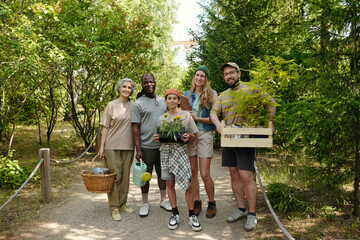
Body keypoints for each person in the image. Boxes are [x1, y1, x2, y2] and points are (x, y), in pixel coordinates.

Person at [210, 62, 276, 231]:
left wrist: (270, 123)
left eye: (231, 73)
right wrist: (218, 124)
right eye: (226, 74)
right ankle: (241, 209)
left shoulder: (252, 89)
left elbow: (271, 103)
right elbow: (213, 112)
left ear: (239, 73)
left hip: (247, 138)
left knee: (246, 176)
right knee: (233, 174)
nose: (229, 76)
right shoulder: (223, 96)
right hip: (229, 139)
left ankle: (252, 214)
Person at [153, 88, 202, 231]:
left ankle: (192, 215)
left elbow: (194, 135)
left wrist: (189, 137)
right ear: (166, 101)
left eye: (175, 98)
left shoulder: (186, 115)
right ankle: (175, 214)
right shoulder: (162, 118)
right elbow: (160, 138)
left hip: (181, 152)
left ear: (179, 101)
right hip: (166, 153)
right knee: (170, 184)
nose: (172, 101)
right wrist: (157, 138)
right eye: (169, 98)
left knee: (187, 185)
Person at [131, 73, 172, 217]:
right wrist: (138, 149)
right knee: (145, 176)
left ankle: (163, 200)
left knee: (163, 175)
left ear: (155, 82)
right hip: (146, 146)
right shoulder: (138, 104)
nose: (149, 84)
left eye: (151, 82)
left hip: (162, 146)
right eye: (145, 82)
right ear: (142, 85)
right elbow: (135, 127)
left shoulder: (163, 101)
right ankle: (145, 203)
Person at [98, 78, 135, 221]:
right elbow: (105, 127)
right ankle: (114, 207)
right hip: (111, 146)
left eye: (129, 87)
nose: (126, 89)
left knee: (125, 177)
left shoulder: (134, 106)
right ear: (119, 88)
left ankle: (123, 204)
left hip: (128, 146)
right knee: (114, 177)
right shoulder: (111, 105)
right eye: (124, 87)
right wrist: (102, 146)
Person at [183, 65, 218, 218]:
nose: (199, 78)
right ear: (194, 77)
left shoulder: (212, 94)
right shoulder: (186, 94)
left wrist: (196, 118)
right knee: (193, 171)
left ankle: (212, 202)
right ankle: (197, 201)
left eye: (202, 76)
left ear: (206, 79)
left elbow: (215, 118)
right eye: (197, 75)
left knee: (204, 173)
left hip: (204, 133)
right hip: (190, 135)